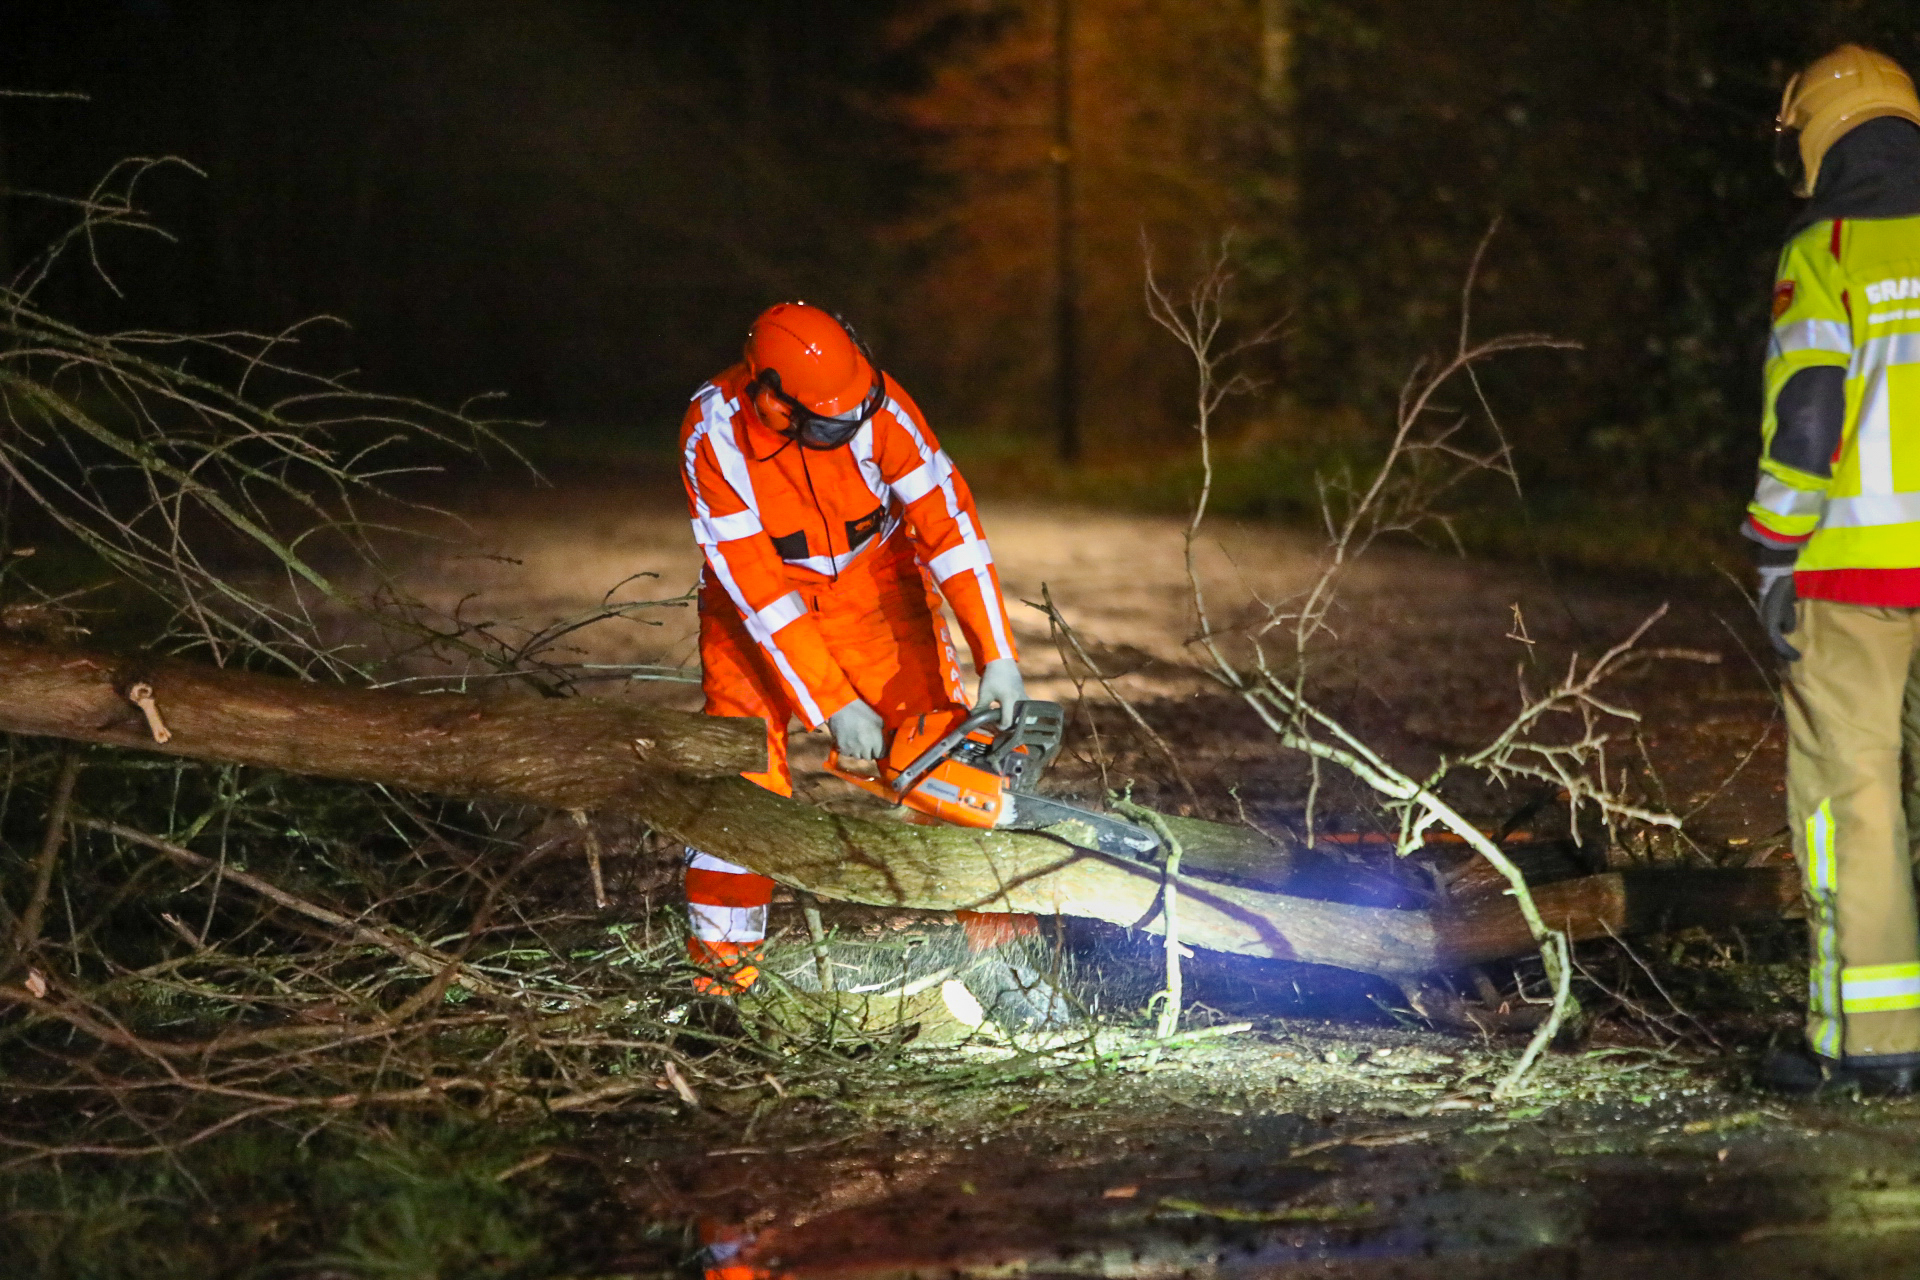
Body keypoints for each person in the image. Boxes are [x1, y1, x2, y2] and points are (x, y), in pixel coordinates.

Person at [676, 302, 1027, 992]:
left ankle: (1008, 967)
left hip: (874, 582)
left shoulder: (881, 407)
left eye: (856, 409)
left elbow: (948, 524)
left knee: (951, 766)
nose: (853, 424)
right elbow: (756, 591)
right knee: (740, 784)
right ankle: (723, 986)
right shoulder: (711, 435)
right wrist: (833, 701)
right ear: (774, 400)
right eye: (835, 422)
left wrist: (998, 653)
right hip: (758, 607)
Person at [1748, 45, 1920, 1095]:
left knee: (1852, 795)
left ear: (1813, 135)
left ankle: (1872, 1040)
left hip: (1853, 572)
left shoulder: (1830, 245)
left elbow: (1808, 414)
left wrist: (1774, 544)